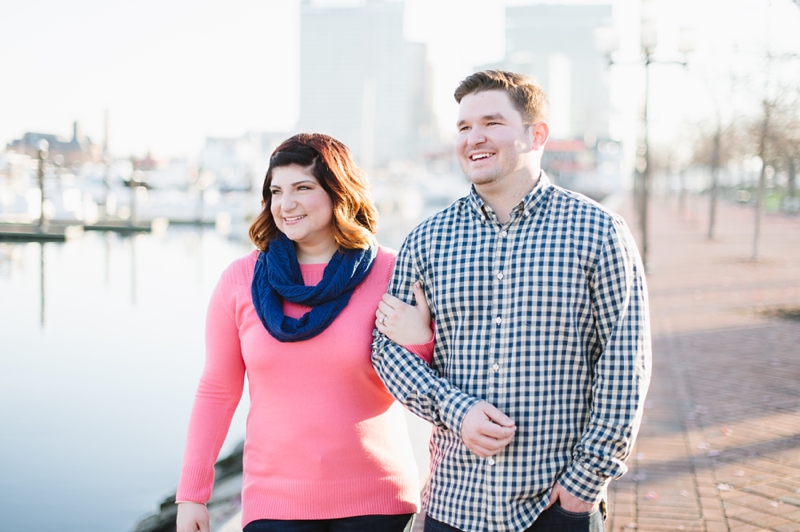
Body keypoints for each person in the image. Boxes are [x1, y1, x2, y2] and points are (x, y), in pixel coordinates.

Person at [372, 70, 651, 532]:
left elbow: (625, 365)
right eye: (463, 127)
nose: (473, 138)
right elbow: (387, 352)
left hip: (554, 506)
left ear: (535, 134)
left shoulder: (598, 232)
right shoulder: (427, 240)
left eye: (491, 123)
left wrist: (584, 485)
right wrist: (454, 409)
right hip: (454, 505)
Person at [176, 133, 434, 532]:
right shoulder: (240, 281)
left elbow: (425, 381)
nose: (286, 204)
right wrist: (192, 493)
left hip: (376, 499)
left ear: (338, 193)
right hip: (274, 503)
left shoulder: (391, 272)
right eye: (277, 191)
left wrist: (421, 335)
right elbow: (217, 390)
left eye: (303, 188)